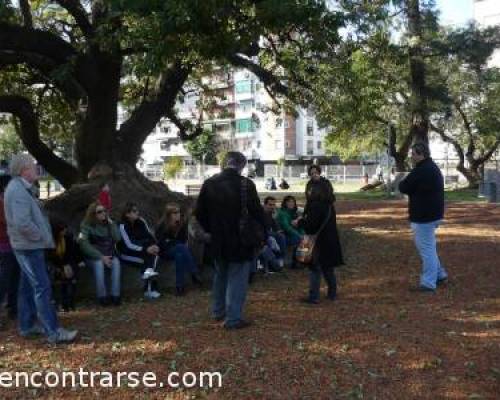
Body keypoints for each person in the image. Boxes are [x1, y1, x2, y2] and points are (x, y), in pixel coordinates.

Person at [3, 154, 77, 343]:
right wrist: (41, 237)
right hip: (29, 246)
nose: (36, 168)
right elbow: (22, 223)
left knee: (27, 286)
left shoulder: (20, 188)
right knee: (42, 287)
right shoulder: (18, 191)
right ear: (23, 170)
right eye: (32, 165)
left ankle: (27, 325)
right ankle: (53, 332)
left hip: (26, 246)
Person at [195, 151, 267, 329]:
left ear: (225, 163)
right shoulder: (245, 184)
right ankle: (233, 318)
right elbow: (257, 211)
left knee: (220, 275)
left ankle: (218, 311)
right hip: (240, 238)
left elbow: (199, 213)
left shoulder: (209, 183)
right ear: (242, 166)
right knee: (237, 278)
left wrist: (211, 229)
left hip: (217, 238)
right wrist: (265, 230)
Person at [399, 142, 447, 292]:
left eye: (413, 154)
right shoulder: (432, 167)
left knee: (426, 250)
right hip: (432, 214)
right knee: (429, 247)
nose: (411, 157)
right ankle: (440, 274)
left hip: (424, 216)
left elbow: (403, 186)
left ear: (421, 154)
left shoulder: (421, 170)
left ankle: (428, 283)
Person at [296, 173, 344, 304]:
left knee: (314, 268)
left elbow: (311, 225)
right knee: (328, 268)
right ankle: (332, 293)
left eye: (310, 189)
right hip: (328, 240)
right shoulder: (328, 204)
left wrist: (299, 223)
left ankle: (314, 296)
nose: (308, 191)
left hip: (316, 240)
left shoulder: (316, 205)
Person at [78, 201, 122, 306]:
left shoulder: (109, 224)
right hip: (93, 256)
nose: (103, 213)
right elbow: (84, 245)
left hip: (109, 253)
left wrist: (112, 224)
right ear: (93, 214)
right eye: (99, 212)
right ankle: (102, 296)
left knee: (116, 262)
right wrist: (101, 257)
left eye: (104, 211)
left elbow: (117, 238)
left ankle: (115, 295)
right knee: (99, 264)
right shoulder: (86, 225)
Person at [117, 202, 161, 299]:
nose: (137, 213)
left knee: (155, 255)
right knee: (146, 261)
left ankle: (150, 288)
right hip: (126, 254)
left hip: (142, 252)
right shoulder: (122, 226)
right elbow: (129, 244)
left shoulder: (141, 221)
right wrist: (146, 249)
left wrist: (154, 245)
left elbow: (149, 235)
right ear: (127, 214)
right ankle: (149, 289)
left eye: (137, 210)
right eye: (134, 211)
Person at [156, 203, 201, 296]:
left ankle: (179, 287)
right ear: (169, 215)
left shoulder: (181, 225)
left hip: (178, 251)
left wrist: (173, 241)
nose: (178, 214)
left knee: (179, 256)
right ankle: (194, 273)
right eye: (175, 213)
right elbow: (162, 243)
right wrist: (174, 242)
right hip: (164, 251)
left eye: (179, 212)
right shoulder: (162, 225)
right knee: (180, 247)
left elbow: (183, 240)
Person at [47, 221, 81, 312]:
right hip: (56, 263)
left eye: (65, 230)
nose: (64, 232)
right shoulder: (51, 241)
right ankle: (59, 302)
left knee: (72, 275)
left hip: (66, 262)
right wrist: (61, 266)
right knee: (55, 276)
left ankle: (70, 302)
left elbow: (70, 253)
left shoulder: (68, 238)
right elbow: (51, 256)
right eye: (62, 230)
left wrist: (66, 265)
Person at [0, 174, 20, 328]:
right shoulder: (2, 204)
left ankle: (13, 309)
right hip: (5, 247)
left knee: (13, 278)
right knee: (5, 281)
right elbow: (9, 222)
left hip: (12, 246)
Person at [259, 196, 286, 272]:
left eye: (274, 205)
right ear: (265, 205)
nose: (272, 207)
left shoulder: (271, 213)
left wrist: (275, 220)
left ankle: (280, 259)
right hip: (261, 234)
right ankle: (279, 258)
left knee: (281, 236)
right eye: (270, 205)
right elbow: (262, 229)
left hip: (268, 233)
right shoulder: (261, 214)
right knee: (278, 237)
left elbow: (276, 226)